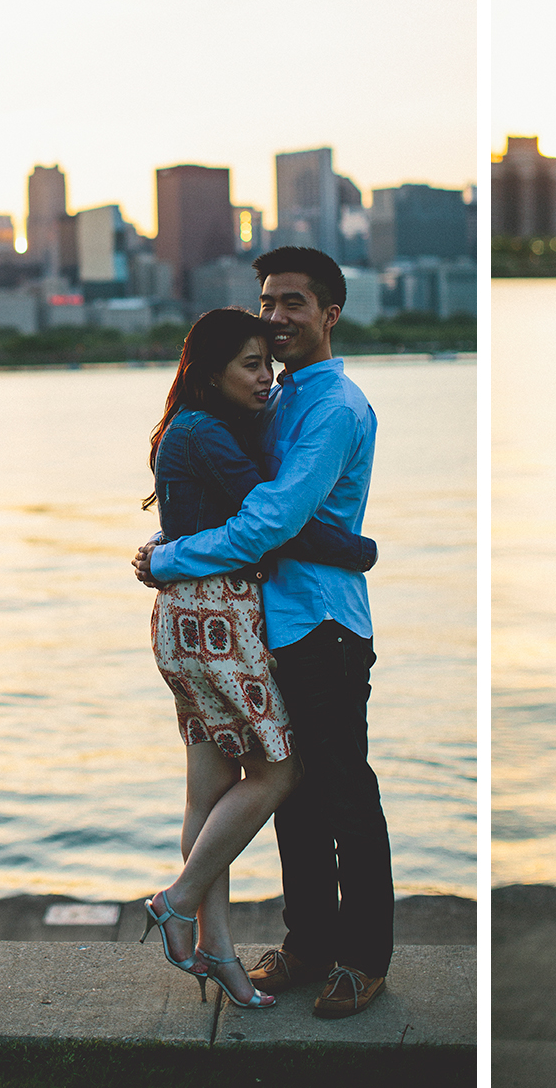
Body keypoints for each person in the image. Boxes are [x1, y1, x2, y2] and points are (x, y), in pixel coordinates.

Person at [134, 247, 394, 1020]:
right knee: (293, 796)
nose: (277, 317)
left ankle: (363, 958)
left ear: (330, 314)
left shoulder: (333, 408)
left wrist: (169, 557)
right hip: (263, 624)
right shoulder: (267, 397)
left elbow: (272, 521)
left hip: (320, 622)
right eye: (269, 302)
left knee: (346, 792)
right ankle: (309, 942)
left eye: (294, 304)